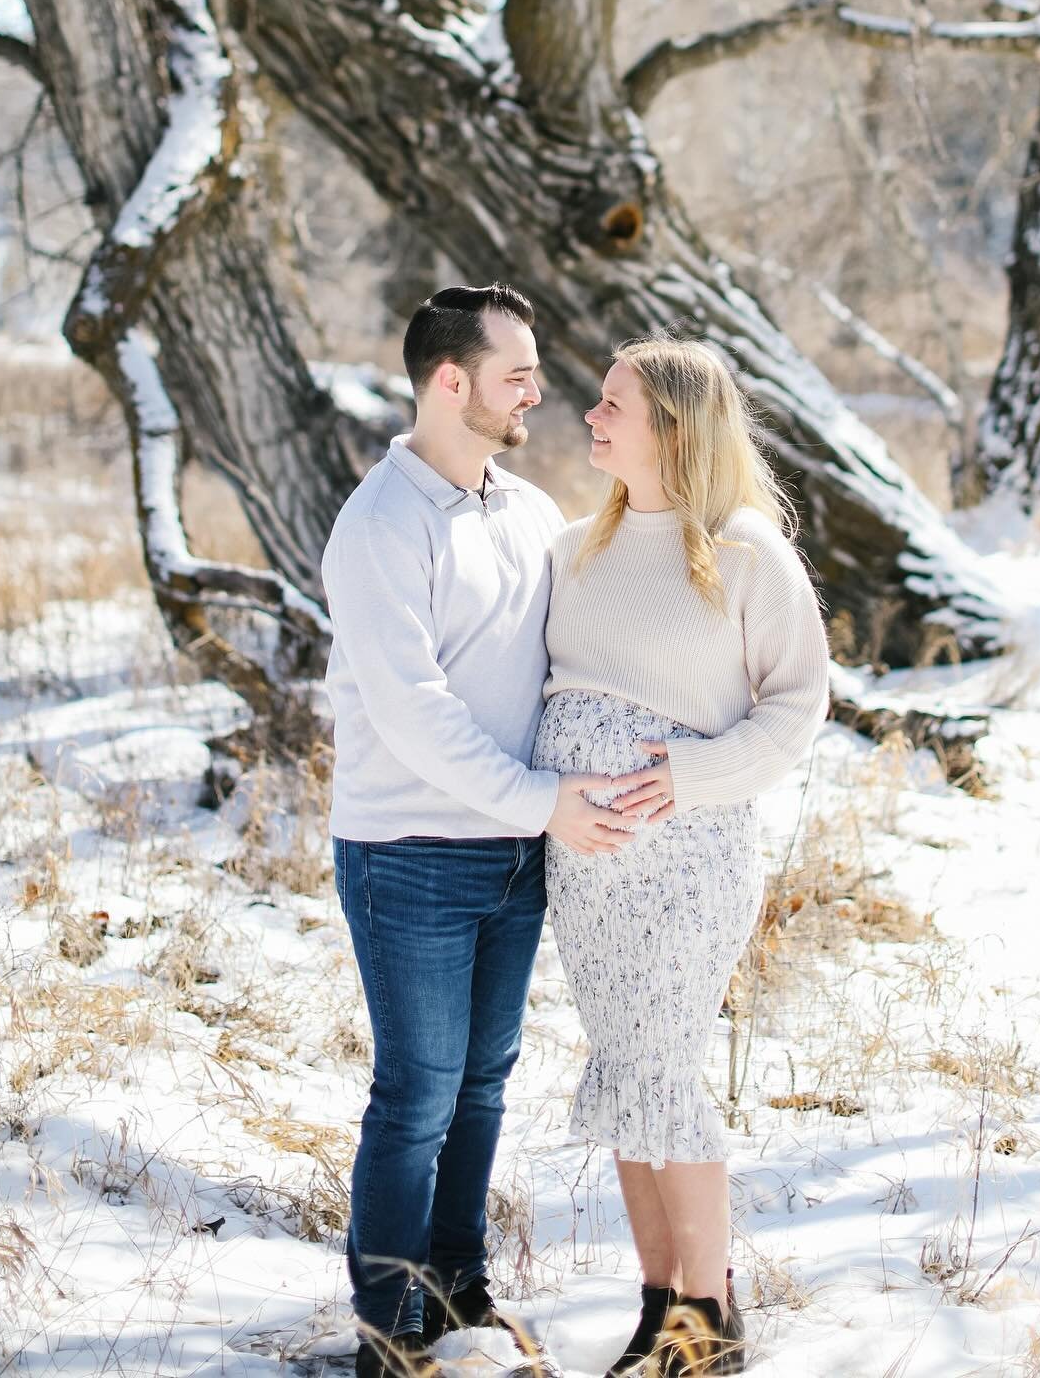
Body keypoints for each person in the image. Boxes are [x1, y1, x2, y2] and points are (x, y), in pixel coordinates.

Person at [320, 283, 634, 1378]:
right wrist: (544, 802)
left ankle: (458, 1286)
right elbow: (413, 717)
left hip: (515, 853)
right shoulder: (379, 528)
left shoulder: (529, 511)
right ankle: (388, 1327)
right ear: (450, 384)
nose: (536, 394)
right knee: (416, 1095)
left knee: (484, 1081)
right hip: (408, 855)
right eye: (516, 376)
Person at [535, 336, 831, 1377]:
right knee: (626, 1075)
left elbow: (799, 700)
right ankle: (661, 1306)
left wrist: (695, 777)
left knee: (667, 1073)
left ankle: (708, 1323)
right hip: (587, 873)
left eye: (613, 405)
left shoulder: (746, 548)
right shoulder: (575, 549)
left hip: (687, 860)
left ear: (672, 428)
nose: (591, 417)